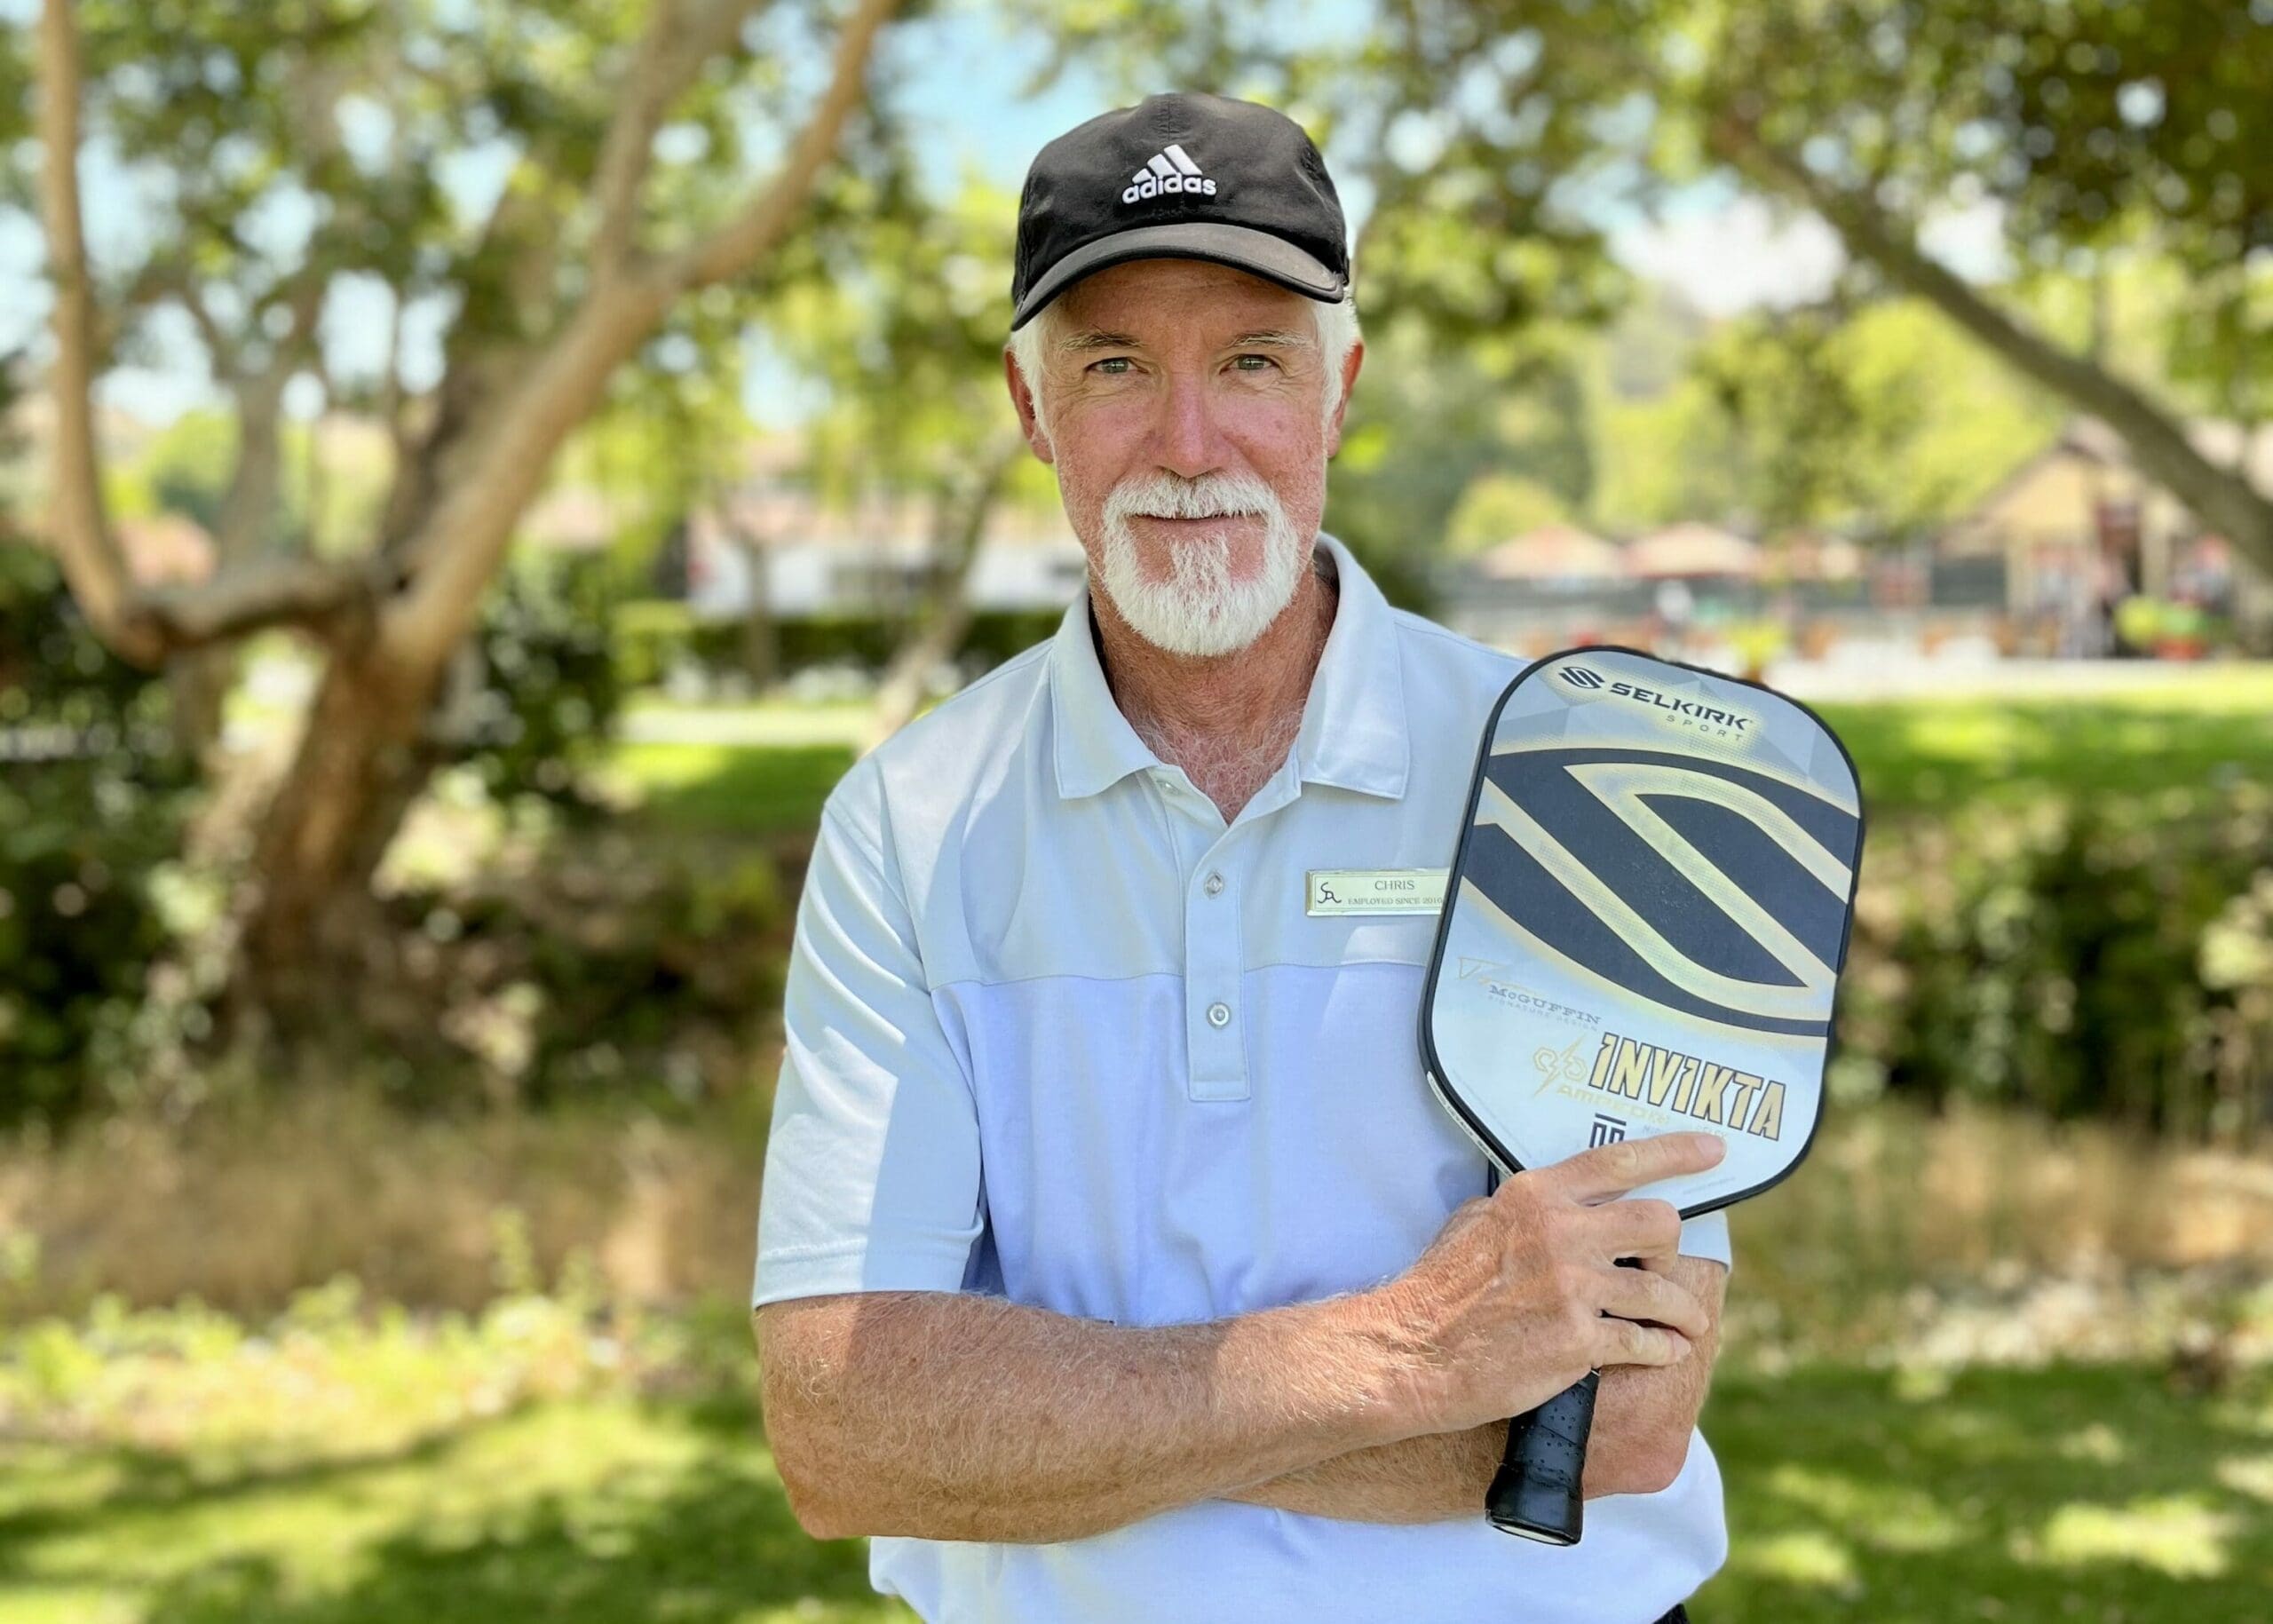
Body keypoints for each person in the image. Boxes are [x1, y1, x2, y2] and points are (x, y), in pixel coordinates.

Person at [750, 90, 1733, 1624]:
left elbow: (1621, 1421)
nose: (1190, 443)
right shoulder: (910, 819)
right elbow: (844, 1424)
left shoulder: (1571, 787)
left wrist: (1048, 1425)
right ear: (1030, 408)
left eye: (1254, 360)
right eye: (1118, 367)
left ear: (1339, 390)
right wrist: (1413, 1354)